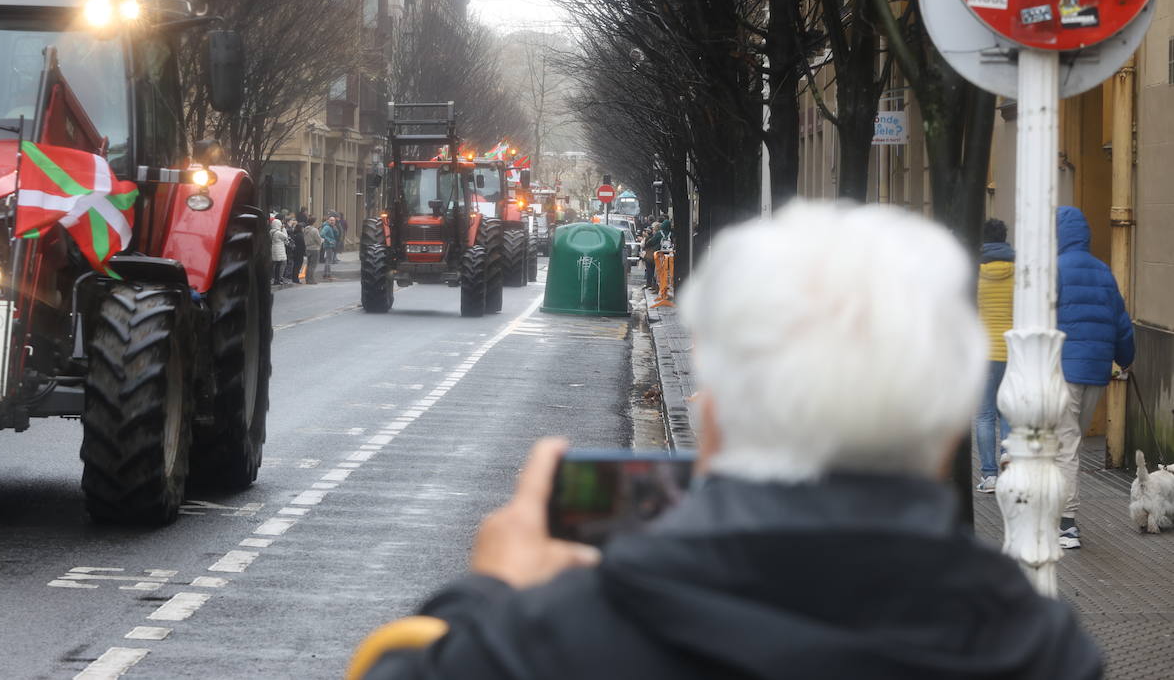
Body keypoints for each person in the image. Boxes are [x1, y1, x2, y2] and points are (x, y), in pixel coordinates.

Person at [360, 202, 1100, 680]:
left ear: (710, 422)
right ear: (945, 439)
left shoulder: (559, 641)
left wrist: (490, 595)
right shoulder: (1043, 649)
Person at [1055, 205, 1135, 550]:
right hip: (1095, 373)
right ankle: (1059, 513)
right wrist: (1125, 359)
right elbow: (1122, 323)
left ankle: (1066, 524)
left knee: (1064, 446)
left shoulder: (1053, 270)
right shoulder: (1103, 271)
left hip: (1062, 370)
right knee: (1070, 441)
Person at [975, 217, 1014, 494]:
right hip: (1012, 351)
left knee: (984, 415)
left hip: (983, 353)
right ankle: (1008, 459)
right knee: (1007, 411)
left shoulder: (974, 272)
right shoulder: (1019, 272)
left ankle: (989, 477)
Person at [269, 218, 290, 286]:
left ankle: (275, 279)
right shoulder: (278, 233)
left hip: (274, 249)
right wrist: (283, 229)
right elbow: (285, 236)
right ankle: (277, 280)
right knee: (279, 265)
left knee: (275, 265)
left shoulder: (271, 232)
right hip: (279, 250)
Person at [320, 215, 340, 281]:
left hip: (331, 245)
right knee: (329, 260)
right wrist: (329, 240)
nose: (332, 221)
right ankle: (328, 274)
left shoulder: (332, 227)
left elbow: (336, 236)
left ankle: (326, 274)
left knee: (328, 260)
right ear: (328, 221)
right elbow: (322, 234)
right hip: (328, 245)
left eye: (333, 220)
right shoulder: (327, 227)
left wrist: (335, 230)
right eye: (331, 220)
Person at [286, 219, 306, 284]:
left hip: (295, 252)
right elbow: (303, 244)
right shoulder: (300, 235)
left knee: (295, 265)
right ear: (301, 228)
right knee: (298, 266)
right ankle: (295, 278)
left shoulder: (294, 234)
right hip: (300, 253)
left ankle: (294, 277)